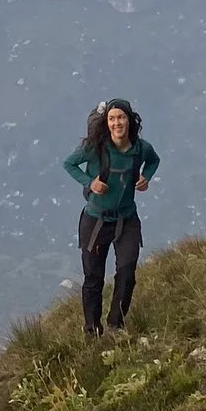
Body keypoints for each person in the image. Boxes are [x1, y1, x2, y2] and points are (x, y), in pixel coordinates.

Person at [63, 97, 160, 337]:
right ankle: (92, 332)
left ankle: (116, 325)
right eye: (112, 119)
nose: (117, 123)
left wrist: (146, 177)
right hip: (95, 221)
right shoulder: (96, 148)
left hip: (126, 220)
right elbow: (69, 163)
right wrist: (90, 182)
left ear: (130, 120)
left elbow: (154, 160)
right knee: (93, 278)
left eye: (121, 118)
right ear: (106, 123)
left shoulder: (140, 148)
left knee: (127, 272)